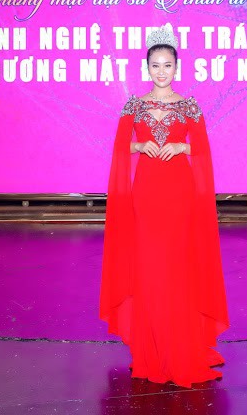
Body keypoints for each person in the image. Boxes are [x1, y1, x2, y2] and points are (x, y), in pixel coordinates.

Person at [99, 24, 230, 388]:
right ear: (147, 67)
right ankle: (151, 349)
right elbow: (119, 148)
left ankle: (180, 347)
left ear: (177, 67)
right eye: (155, 65)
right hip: (146, 194)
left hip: (179, 193)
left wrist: (182, 146)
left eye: (167, 65)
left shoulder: (189, 105)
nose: (161, 71)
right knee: (149, 267)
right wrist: (139, 146)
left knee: (178, 266)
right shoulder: (134, 104)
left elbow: (203, 150)